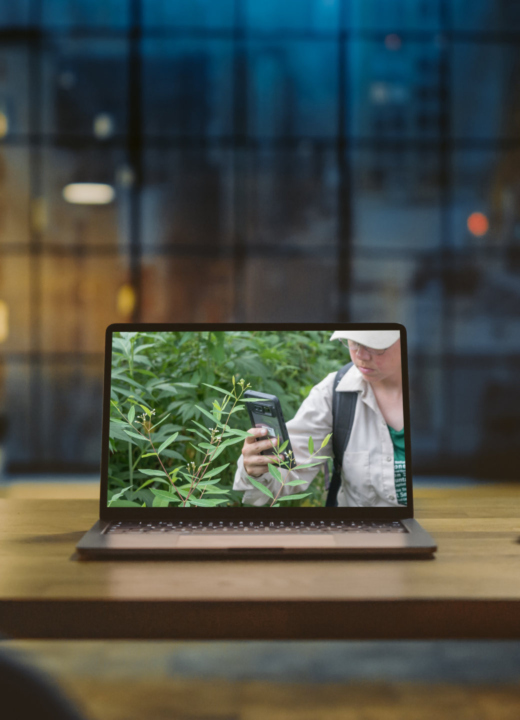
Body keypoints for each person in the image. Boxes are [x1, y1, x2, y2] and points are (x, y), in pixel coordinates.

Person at [233, 330, 406, 507]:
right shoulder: (333, 394)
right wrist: (258, 470)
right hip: (360, 530)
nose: (361, 355)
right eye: (353, 342)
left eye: (375, 345)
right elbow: (289, 472)